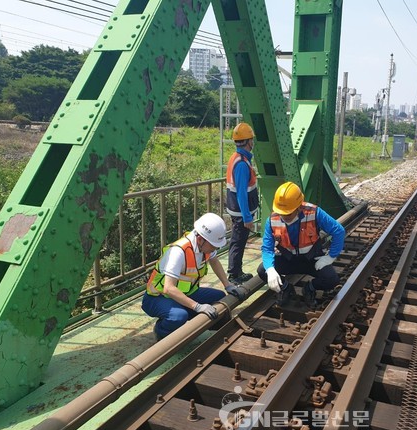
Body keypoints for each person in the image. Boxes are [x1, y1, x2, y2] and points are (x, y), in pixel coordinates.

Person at [142, 212, 246, 340]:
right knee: (178, 316)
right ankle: (161, 331)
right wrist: (197, 306)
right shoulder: (178, 251)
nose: (214, 249)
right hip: (157, 297)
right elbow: (168, 288)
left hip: (185, 292)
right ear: (200, 239)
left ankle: (195, 317)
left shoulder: (205, 247)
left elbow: (214, 261)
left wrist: (227, 285)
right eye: (213, 246)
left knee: (219, 297)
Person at [257, 182, 345, 307]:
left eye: (288, 213)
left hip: (311, 260)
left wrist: (330, 257)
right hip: (289, 260)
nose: (284, 216)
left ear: (299, 207)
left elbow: (339, 231)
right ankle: (286, 288)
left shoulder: (314, 213)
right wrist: (270, 269)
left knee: (332, 280)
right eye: (282, 212)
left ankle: (310, 288)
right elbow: (267, 248)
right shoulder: (272, 220)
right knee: (262, 270)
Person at [226, 122, 259, 285]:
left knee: (238, 240)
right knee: (238, 242)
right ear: (248, 141)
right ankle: (234, 274)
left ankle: (237, 271)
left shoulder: (239, 158)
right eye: (251, 139)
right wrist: (247, 217)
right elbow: (241, 193)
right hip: (240, 212)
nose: (253, 142)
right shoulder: (241, 163)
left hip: (237, 210)